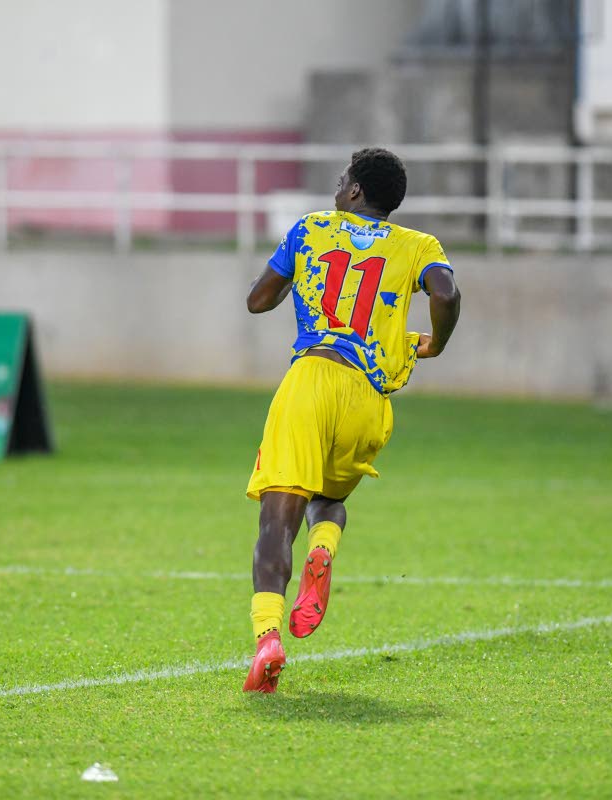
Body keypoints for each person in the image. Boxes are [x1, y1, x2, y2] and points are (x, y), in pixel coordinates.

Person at [242, 147, 461, 693]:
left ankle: (268, 637)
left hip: (310, 382)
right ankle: (324, 552)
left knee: (276, 518)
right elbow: (447, 293)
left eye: (342, 181)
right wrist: (437, 343)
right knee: (329, 502)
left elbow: (258, 301)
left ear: (356, 191)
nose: (336, 188)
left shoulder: (312, 228)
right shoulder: (418, 246)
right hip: (369, 396)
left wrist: (301, 275)